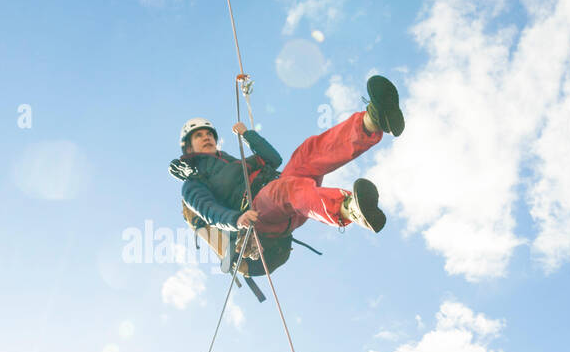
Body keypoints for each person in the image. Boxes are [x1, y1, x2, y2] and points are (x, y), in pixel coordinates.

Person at [169, 76, 404, 274]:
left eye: (208, 133)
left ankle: (372, 121)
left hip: (287, 196)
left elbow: (273, 159)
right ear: (188, 147)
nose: (206, 137)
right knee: (286, 190)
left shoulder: (233, 162)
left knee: (307, 153)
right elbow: (209, 211)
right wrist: (236, 220)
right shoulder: (193, 184)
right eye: (198, 136)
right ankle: (349, 208)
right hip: (260, 216)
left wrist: (249, 136)